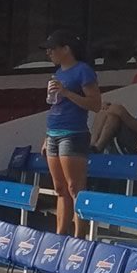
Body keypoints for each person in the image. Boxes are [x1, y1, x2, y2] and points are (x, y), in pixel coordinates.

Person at [41, 29, 102, 233]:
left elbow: (95, 104)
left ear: (66, 49)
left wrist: (66, 93)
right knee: (59, 189)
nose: (48, 53)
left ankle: (79, 236)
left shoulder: (83, 70)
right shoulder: (57, 73)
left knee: (75, 187)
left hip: (73, 132)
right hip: (54, 132)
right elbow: (55, 105)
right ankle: (60, 234)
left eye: (52, 49)